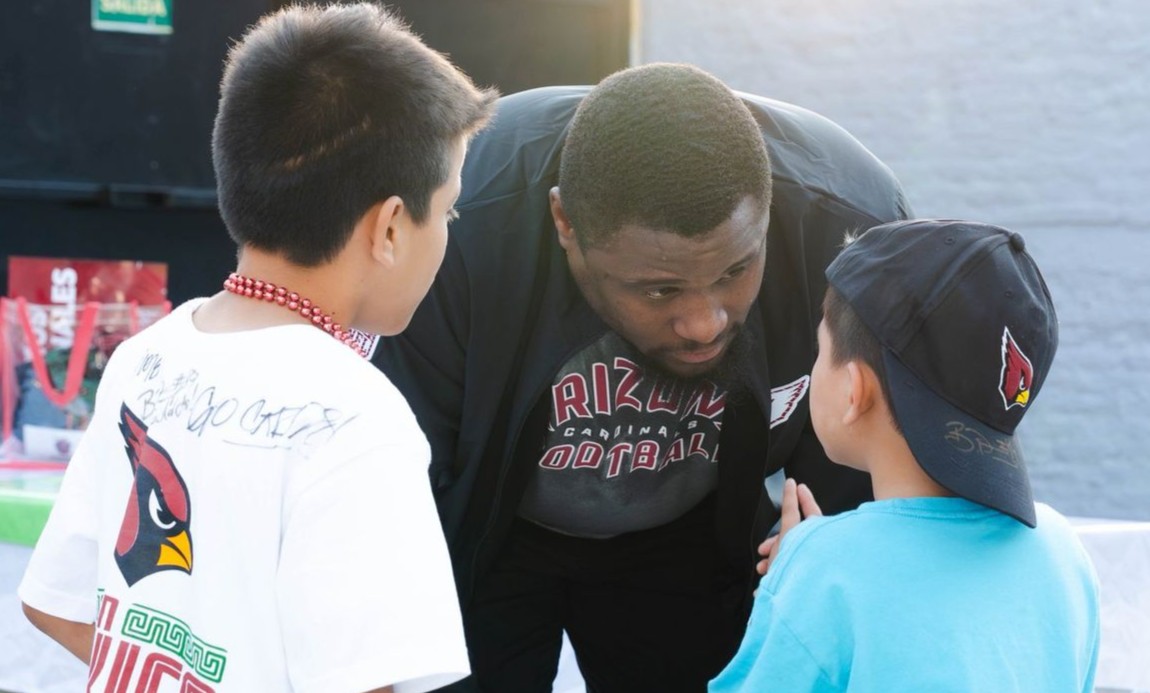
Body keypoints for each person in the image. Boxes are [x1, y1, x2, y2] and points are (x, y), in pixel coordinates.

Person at [372, 62, 912, 692]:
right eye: (660, 289)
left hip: (689, 540)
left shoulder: (845, 225)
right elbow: (399, 466)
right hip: (483, 535)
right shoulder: (452, 213)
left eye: (736, 270)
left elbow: (885, 455)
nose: (705, 323)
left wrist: (826, 567)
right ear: (565, 223)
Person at [18, 4, 496, 691]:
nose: (447, 231)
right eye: (447, 209)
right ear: (390, 226)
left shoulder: (145, 355)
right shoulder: (359, 419)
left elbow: (55, 601)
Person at [710, 219, 1101, 692]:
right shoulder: (1063, 553)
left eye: (820, 348)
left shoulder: (825, 571)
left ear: (854, 391)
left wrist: (799, 577)